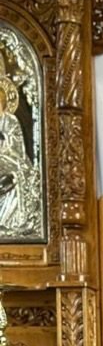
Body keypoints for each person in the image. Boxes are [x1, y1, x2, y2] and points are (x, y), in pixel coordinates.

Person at [0, 80, 40, 237]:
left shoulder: (10, 120)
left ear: (3, 104)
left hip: (11, 157)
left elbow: (15, 146)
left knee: (17, 174)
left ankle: (13, 220)